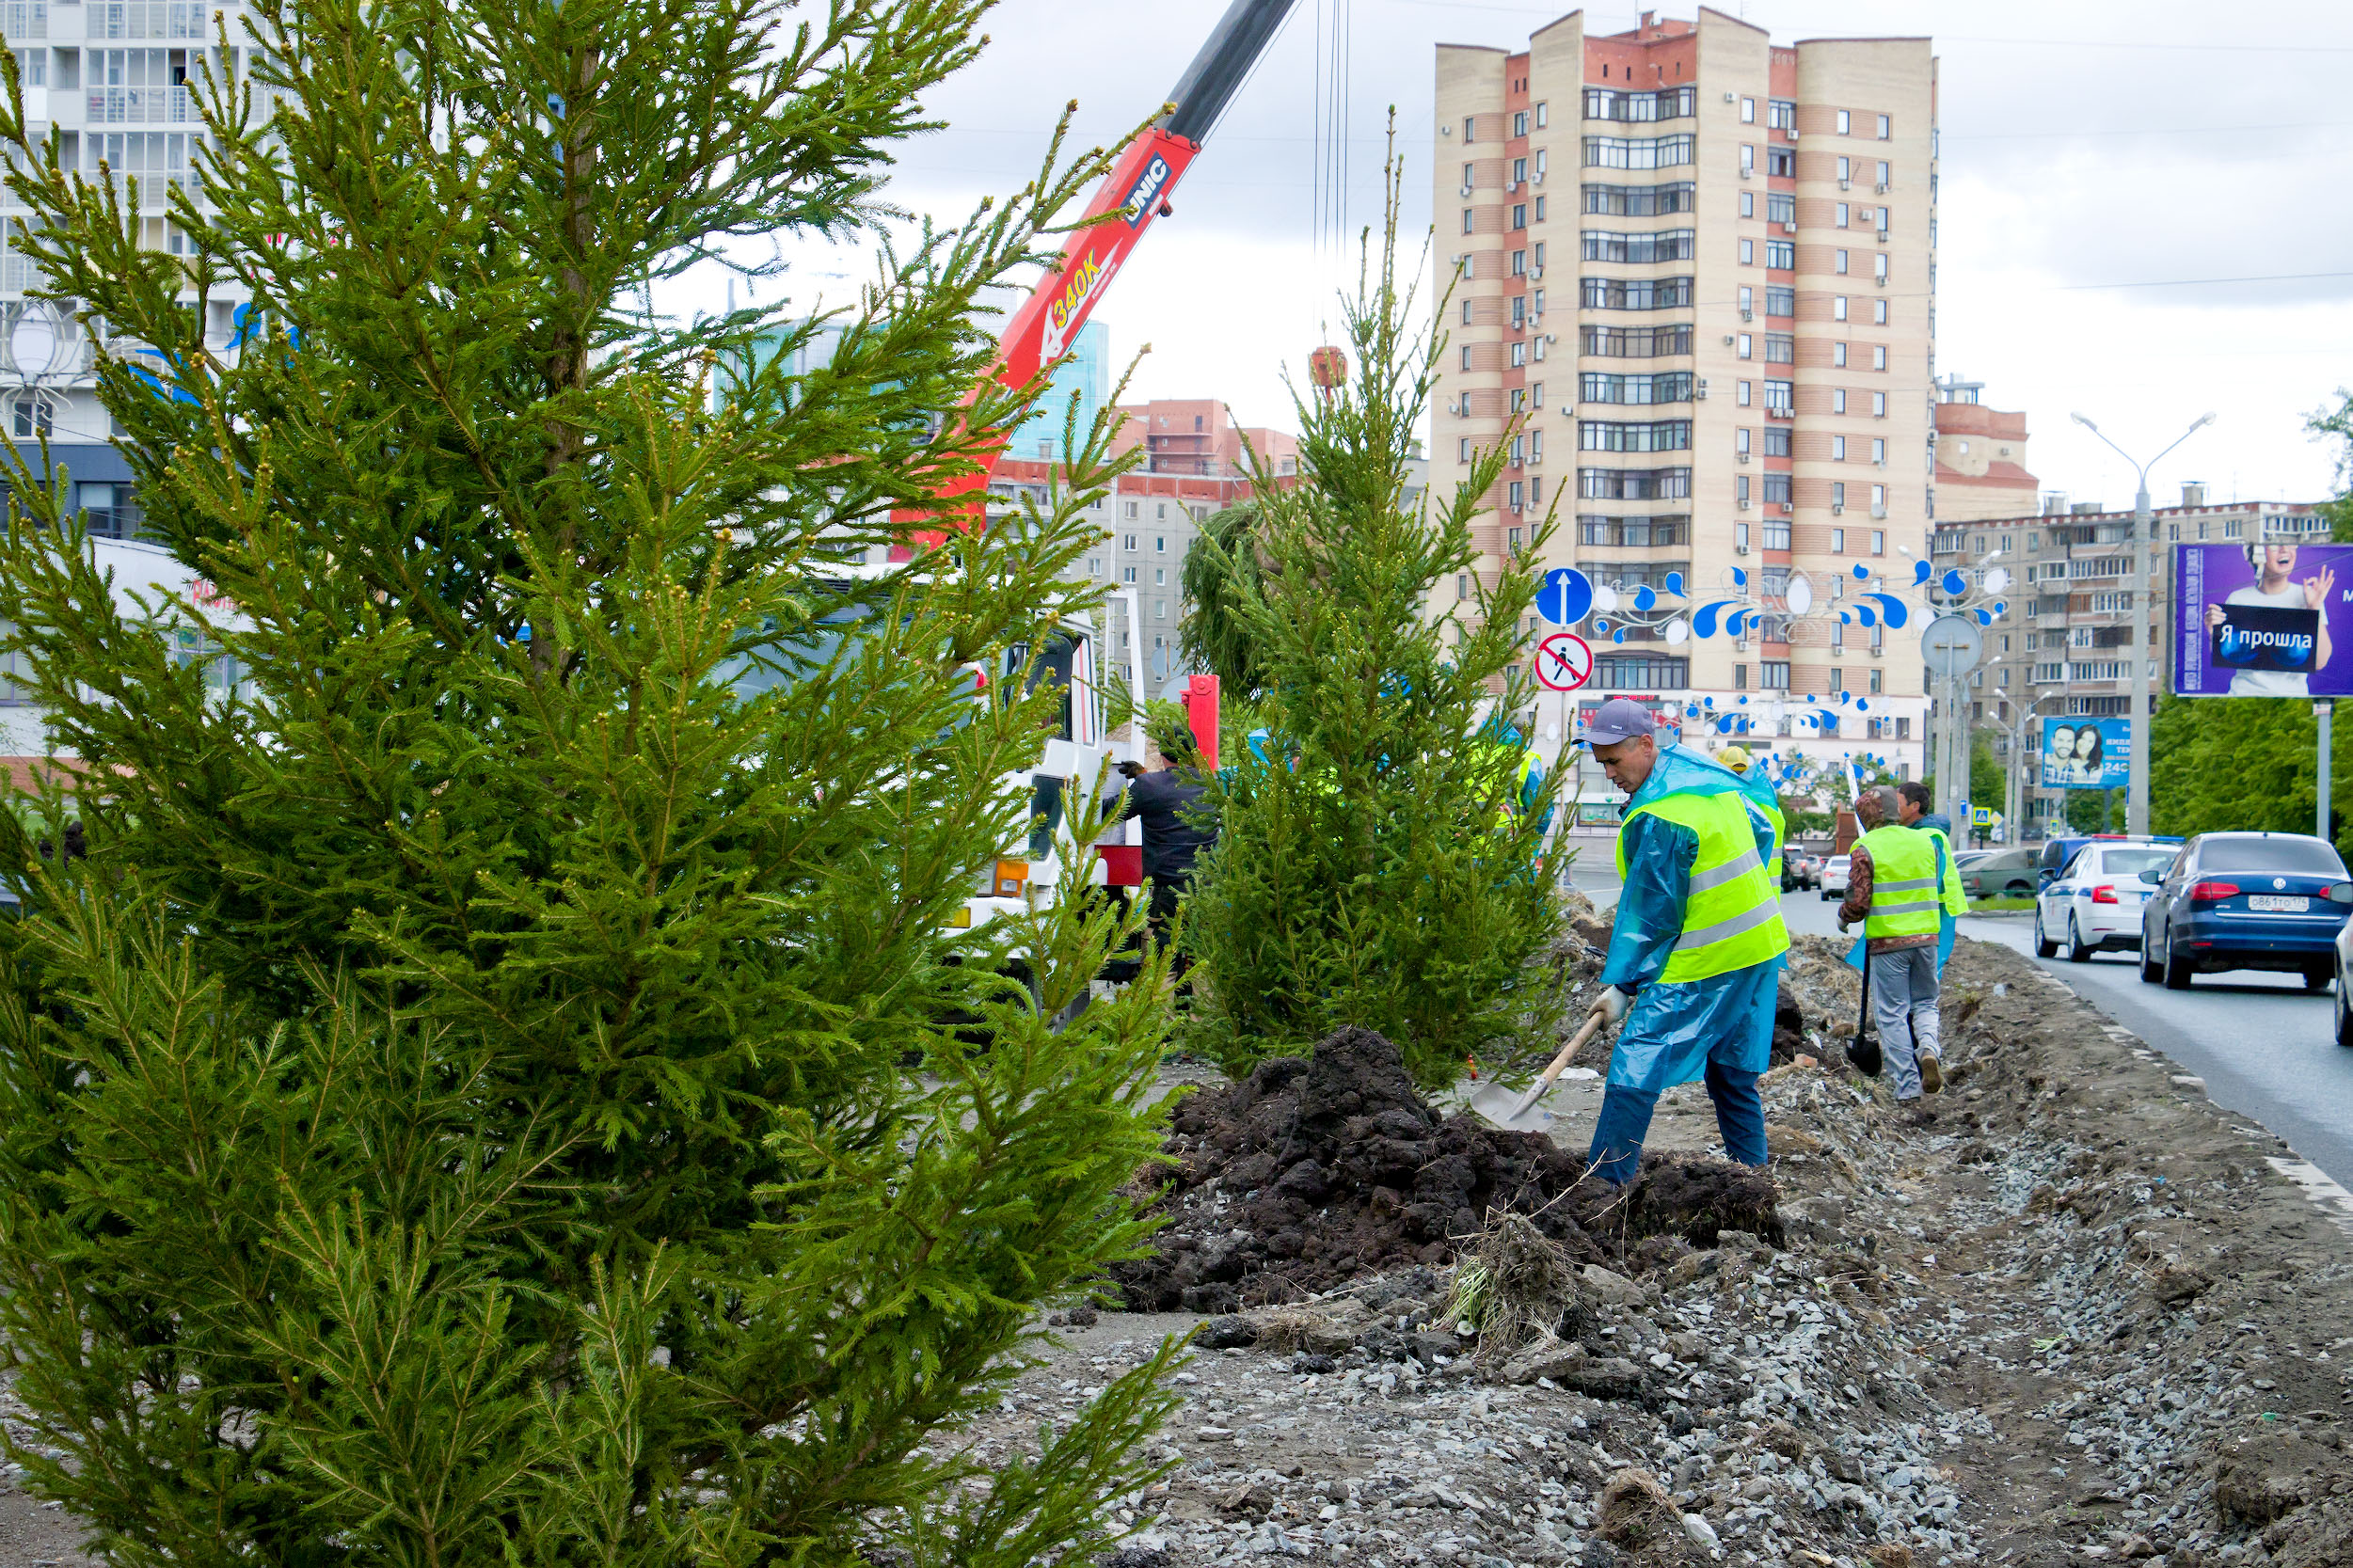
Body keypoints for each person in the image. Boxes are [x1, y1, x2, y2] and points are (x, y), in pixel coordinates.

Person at [1581, 698, 1789, 1185]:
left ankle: (1599, 1190)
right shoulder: (1706, 778)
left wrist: (1624, 986)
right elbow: (1763, 830)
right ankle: (1753, 1184)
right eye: (1601, 764)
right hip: (1759, 949)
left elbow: (1652, 918)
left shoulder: (1664, 817)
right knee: (1732, 1071)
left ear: (1646, 744)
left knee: (1637, 1060)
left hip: (1707, 957)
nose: (1609, 773)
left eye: (1614, 760)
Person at [1838, 784, 1944, 1099]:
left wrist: (1844, 917)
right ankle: (1927, 1047)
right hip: (1927, 939)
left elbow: (1859, 902)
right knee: (1925, 1002)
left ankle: (1908, 1088)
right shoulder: (1926, 842)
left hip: (1888, 944)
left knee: (1892, 1014)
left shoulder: (1865, 847)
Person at [1119, 713, 1218, 978]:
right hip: (1205, 886)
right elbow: (1177, 788)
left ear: (1162, 752)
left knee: (1164, 950)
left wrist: (1137, 781)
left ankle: (1165, 1014)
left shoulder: (1148, 786)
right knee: (1198, 953)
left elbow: (1112, 812)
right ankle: (1199, 1014)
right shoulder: (1212, 784)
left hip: (1166, 887)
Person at [2206, 541, 2335, 696]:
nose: (2285, 549)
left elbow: (2320, 662)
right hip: (2243, 696)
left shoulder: (2308, 595)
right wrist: (2213, 632)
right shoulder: (2238, 599)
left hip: (2293, 700)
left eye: (2290, 544)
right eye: (2274, 545)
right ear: (2257, 556)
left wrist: (2314, 609)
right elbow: (2227, 655)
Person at [1897, 780, 1967, 967]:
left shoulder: (1928, 835)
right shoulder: (1920, 832)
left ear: (1914, 807)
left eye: (1898, 803)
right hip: (1931, 907)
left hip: (1937, 907)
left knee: (1928, 968)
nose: (1894, 809)